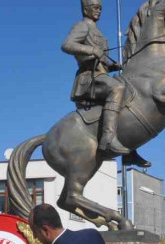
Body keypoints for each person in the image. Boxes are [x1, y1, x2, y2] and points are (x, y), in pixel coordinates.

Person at [63, 0, 150, 168]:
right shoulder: (82, 27)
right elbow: (67, 45)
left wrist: (112, 66)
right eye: (95, 8)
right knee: (117, 87)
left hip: (100, 76)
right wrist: (91, 50)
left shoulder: (98, 31)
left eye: (100, 8)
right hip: (89, 79)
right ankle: (108, 139)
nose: (99, 11)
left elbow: (101, 61)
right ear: (86, 9)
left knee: (131, 93)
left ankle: (130, 151)